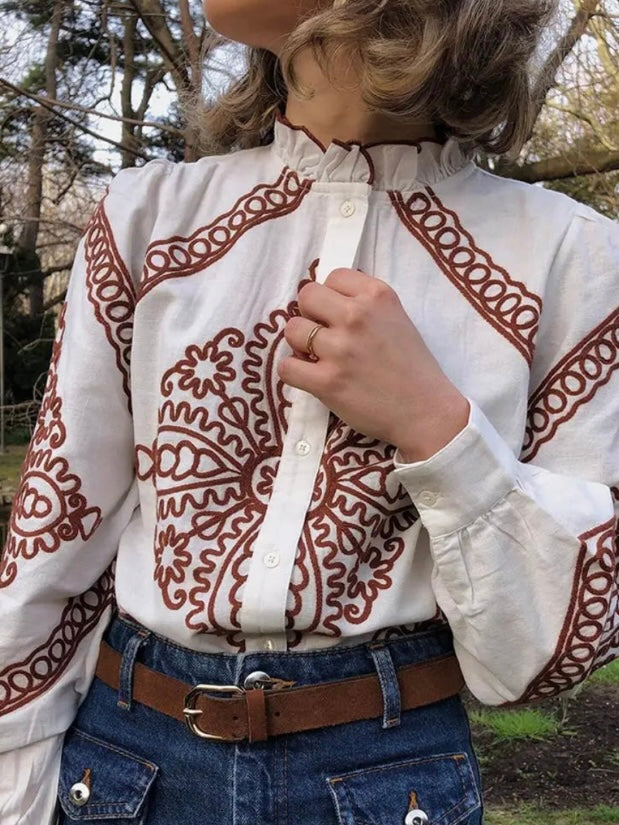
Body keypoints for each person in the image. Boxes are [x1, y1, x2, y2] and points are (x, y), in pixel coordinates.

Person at [1, 0, 617, 822]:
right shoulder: (144, 220)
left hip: (391, 774)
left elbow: (546, 650)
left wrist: (435, 425)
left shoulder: (571, 257)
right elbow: (54, 543)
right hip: (124, 763)